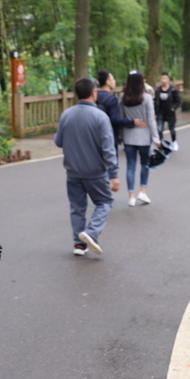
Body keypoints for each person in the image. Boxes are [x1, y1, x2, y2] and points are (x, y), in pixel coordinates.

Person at [54, 77, 118, 256]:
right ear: (94, 92)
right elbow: (108, 148)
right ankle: (91, 232)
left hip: (72, 171)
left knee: (77, 207)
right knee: (105, 202)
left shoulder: (66, 114)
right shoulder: (100, 117)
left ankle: (79, 244)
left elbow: (58, 141)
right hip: (95, 172)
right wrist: (114, 174)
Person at [94, 69, 146, 191]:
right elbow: (115, 119)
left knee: (97, 164)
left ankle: (97, 190)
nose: (114, 81)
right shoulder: (111, 99)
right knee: (109, 164)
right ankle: (104, 194)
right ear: (107, 82)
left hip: (94, 135)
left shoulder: (94, 95)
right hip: (109, 136)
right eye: (112, 79)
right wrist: (131, 122)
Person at [118, 70, 160, 206]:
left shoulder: (122, 97)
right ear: (141, 81)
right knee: (145, 164)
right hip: (144, 136)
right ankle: (142, 191)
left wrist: (121, 135)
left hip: (129, 136)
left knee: (130, 165)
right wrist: (156, 138)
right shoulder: (147, 98)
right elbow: (151, 120)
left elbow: (121, 118)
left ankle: (131, 196)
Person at [154, 72, 181, 149]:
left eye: (165, 78)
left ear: (168, 79)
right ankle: (162, 143)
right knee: (159, 129)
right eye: (162, 78)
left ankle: (174, 142)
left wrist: (173, 108)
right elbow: (155, 101)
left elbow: (178, 101)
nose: (163, 80)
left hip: (170, 113)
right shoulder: (158, 90)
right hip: (160, 112)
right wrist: (155, 113)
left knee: (172, 129)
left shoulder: (172, 90)